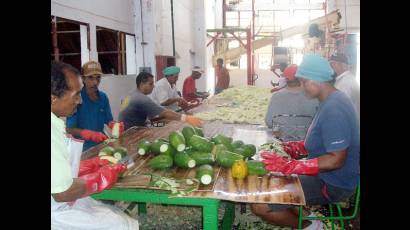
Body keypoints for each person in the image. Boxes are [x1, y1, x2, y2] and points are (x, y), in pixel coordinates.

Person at [251, 54, 360, 230]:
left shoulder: (334, 109)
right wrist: (297, 147)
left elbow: (336, 159)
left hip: (332, 183)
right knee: (274, 180)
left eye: (303, 82)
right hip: (324, 176)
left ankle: (312, 227)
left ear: (315, 80)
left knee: (260, 205)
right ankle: (306, 214)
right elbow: (323, 139)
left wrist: (293, 166)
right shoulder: (329, 100)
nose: (302, 87)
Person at [51, 61, 139, 229]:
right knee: (121, 224)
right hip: (57, 210)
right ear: (53, 98)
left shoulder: (55, 121)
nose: (79, 101)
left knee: (113, 214)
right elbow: (63, 192)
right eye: (75, 95)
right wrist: (101, 177)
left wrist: (88, 165)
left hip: (62, 199)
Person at [66, 61, 123, 151]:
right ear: (83, 79)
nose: (95, 82)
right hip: (82, 148)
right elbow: (69, 129)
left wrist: (114, 125)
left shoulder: (103, 97)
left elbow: (108, 120)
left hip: (100, 145)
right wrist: (86, 133)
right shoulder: (77, 98)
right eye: (90, 78)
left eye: (98, 78)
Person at [119, 72, 203, 130]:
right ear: (141, 84)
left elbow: (154, 116)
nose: (153, 86)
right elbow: (164, 112)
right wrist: (187, 118)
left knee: (168, 124)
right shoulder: (141, 99)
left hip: (133, 127)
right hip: (133, 132)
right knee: (167, 131)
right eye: (150, 84)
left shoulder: (132, 94)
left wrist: (172, 118)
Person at [265, 64, 319, 141]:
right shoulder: (313, 97)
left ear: (285, 79)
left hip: (283, 144)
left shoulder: (276, 96)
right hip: (306, 144)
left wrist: (280, 135)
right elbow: (319, 124)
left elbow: (269, 122)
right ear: (302, 78)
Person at [329, 53, 360, 121]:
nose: (331, 66)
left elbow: (340, 108)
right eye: (331, 64)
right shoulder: (346, 79)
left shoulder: (345, 83)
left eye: (333, 64)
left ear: (342, 65)